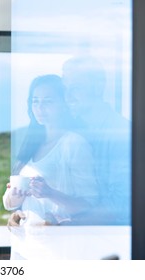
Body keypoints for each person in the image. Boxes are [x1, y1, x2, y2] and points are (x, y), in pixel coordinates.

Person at [3, 74, 99, 259]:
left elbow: (89, 204)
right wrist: (17, 209)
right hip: (24, 247)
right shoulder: (32, 144)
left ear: (64, 105)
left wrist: (50, 193)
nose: (40, 108)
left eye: (48, 101)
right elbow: (11, 203)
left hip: (56, 250)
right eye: (35, 101)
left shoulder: (74, 144)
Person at [62, 55, 131, 225]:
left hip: (113, 241)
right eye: (65, 89)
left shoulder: (120, 134)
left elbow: (120, 206)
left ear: (98, 88)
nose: (68, 97)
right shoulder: (72, 134)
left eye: (76, 88)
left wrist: (66, 226)